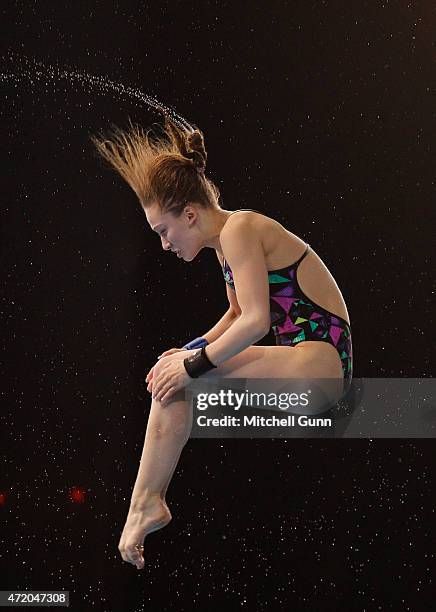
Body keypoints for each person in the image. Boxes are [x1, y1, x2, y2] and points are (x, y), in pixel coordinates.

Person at [91, 112, 353, 570]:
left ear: (189, 214)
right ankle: (144, 505)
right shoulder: (225, 244)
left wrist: (193, 365)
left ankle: (145, 504)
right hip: (307, 362)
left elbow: (254, 321)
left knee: (184, 379)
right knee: (174, 379)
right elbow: (234, 313)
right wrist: (189, 349)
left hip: (322, 364)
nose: (164, 244)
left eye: (164, 231)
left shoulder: (240, 229)